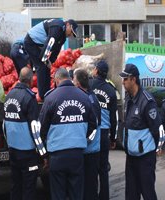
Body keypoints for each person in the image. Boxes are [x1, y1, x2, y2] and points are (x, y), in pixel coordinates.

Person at [39, 68, 97, 200]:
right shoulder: (84, 97)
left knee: (58, 193)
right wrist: (83, 138)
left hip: (57, 155)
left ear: (56, 80)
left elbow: (41, 128)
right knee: (76, 193)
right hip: (77, 154)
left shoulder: (50, 98)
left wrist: (44, 153)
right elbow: (94, 124)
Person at [120, 63, 163, 200]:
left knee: (148, 192)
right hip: (131, 157)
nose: (123, 82)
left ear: (133, 79)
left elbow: (157, 129)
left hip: (145, 158)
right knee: (131, 194)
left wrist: (155, 149)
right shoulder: (128, 98)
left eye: (125, 79)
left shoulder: (147, 101)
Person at [4, 67, 46, 200]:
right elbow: (35, 129)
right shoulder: (29, 97)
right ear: (30, 80)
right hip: (27, 153)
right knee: (28, 187)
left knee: (16, 185)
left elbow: (5, 125)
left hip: (13, 150)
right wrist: (43, 153)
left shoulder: (9, 95)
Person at [24, 18, 78, 99]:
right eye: (71, 32)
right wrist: (46, 60)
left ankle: (47, 92)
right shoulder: (57, 27)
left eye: (72, 35)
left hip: (39, 45)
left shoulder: (62, 36)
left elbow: (56, 49)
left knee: (46, 67)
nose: (70, 35)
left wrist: (51, 61)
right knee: (41, 66)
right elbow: (48, 44)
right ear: (67, 25)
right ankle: (43, 95)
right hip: (31, 42)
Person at [89, 60, 117, 200]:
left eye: (94, 68)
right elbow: (114, 118)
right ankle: (104, 197)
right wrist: (113, 139)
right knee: (103, 168)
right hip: (105, 133)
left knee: (92, 168)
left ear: (97, 71)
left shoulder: (89, 85)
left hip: (92, 132)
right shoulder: (111, 89)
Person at [73, 69, 101, 200]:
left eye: (73, 80)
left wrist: (82, 142)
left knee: (89, 187)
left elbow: (94, 126)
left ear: (78, 83)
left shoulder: (90, 100)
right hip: (87, 150)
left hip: (90, 151)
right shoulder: (88, 97)